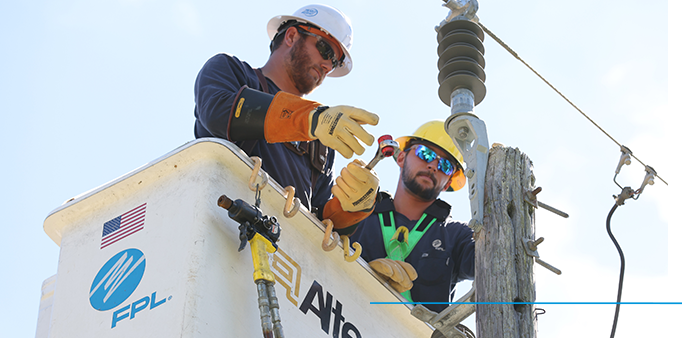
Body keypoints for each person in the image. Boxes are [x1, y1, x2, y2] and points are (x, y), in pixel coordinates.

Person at [193, 4, 380, 234]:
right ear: (291, 36)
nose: (328, 66)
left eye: (336, 62)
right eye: (326, 50)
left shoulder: (320, 142)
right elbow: (218, 112)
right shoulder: (232, 72)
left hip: (280, 261)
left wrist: (351, 208)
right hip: (220, 234)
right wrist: (309, 119)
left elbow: (319, 220)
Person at [350, 120, 475, 313]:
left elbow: (494, 265)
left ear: (448, 181)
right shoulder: (361, 213)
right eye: (425, 154)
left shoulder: (457, 237)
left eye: (445, 165)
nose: (433, 165)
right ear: (401, 158)